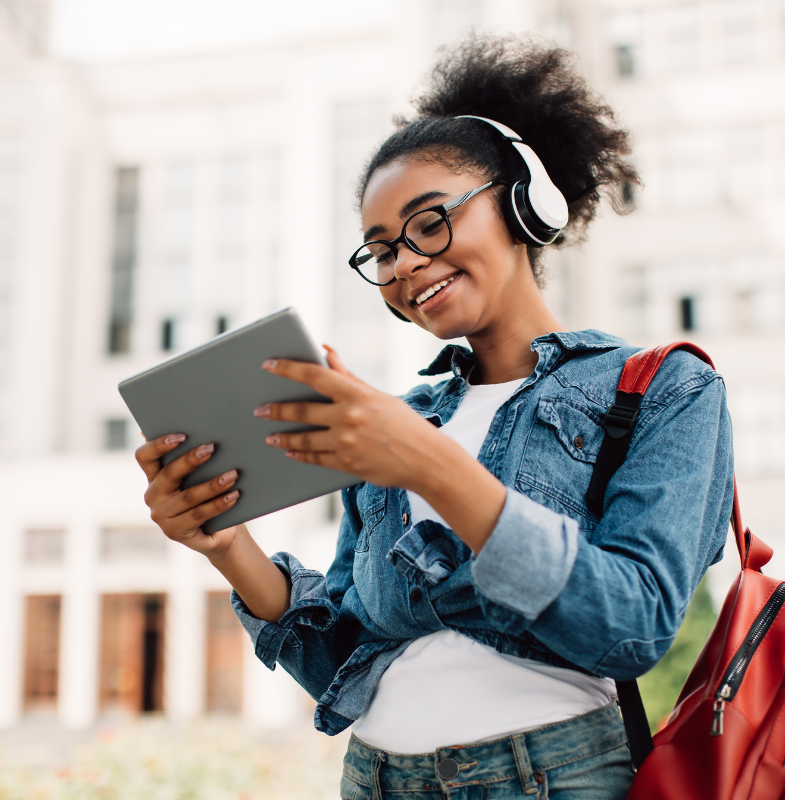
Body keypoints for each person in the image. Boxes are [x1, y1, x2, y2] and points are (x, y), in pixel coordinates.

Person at [136, 35, 733, 800]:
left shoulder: (665, 389)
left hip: (549, 778)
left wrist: (428, 463)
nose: (405, 264)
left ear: (523, 202)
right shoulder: (396, 421)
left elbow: (632, 626)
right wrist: (229, 549)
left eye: (428, 223)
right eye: (380, 251)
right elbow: (346, 660)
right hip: (376, 778)